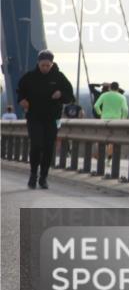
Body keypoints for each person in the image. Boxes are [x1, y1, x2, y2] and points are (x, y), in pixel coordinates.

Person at [17, 50, 75, 189]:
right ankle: (33, 175)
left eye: (47, 65)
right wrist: (22, 101)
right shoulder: (29, 77)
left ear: (52, 64)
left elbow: (70, 96)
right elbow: (20, 92)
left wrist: (61, 94)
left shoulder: (59, 77)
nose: (45, 68)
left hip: (52, 119)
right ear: (38, 63)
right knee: (36, 145)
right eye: (42, 65)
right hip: (34, 117)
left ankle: (43, 177)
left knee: (48, 148)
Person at [94, 82, 129, 161]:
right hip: (116, 121)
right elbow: (125, 109)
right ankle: (109, 159)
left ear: (110, 88)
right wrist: (123, 119)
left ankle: (99, 154)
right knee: (112, 141)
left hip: (104, 119)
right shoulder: (122, 97)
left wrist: (100, 113)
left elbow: (96, 106)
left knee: (101, 137)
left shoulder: (104, 95)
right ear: (117, 88)